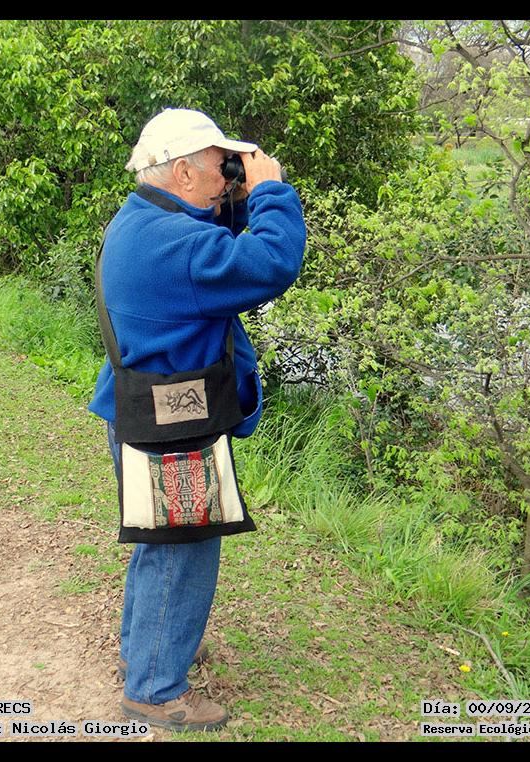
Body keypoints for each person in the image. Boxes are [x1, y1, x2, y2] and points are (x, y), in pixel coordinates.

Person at [88, 108, 306, 731]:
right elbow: (269, 263)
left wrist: (234, 196)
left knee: (159, 541)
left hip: (147, 407)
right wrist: (269, 192)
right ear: (182, 172)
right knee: (182, 549)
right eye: (218, 166)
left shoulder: (144, 221)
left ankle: (150, 648)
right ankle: (155, 688)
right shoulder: (175, 246)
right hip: (173, 424)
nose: (226, 175)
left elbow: (212, 248)